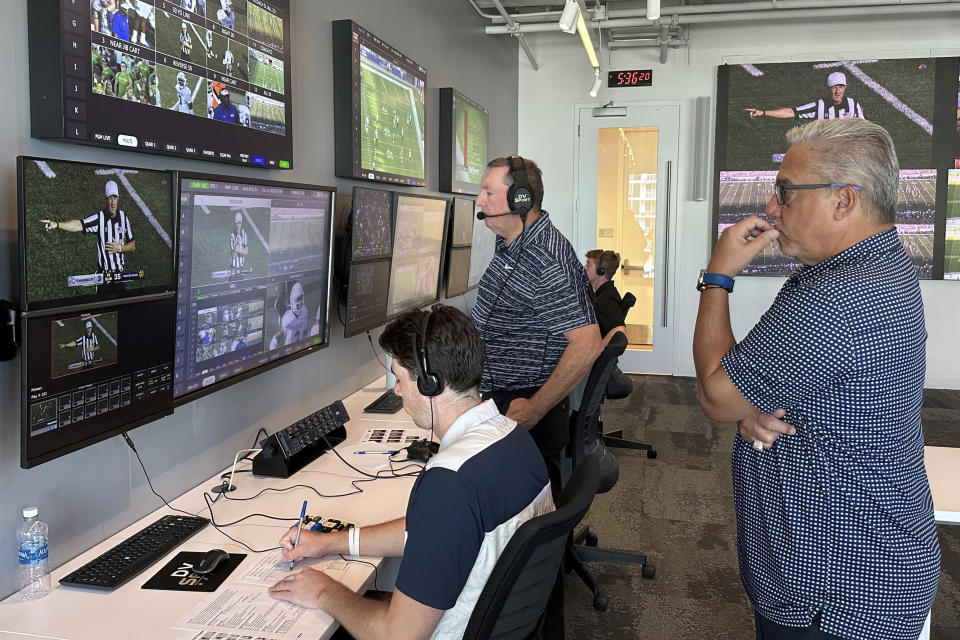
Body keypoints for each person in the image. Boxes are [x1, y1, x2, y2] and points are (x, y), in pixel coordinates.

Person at [692, 118, 940, 640]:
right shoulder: (880, 266)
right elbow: (815, 390)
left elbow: (717, 394)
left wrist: (718, 275)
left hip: (835, 590)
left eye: (785, 193)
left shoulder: (835, 297)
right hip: (869, 567)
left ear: (843, 201)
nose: (772, 209)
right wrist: (751, 409)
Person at [267, 305, 554, 639]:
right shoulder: (511, 436)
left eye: (400, 378)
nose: (397, 391)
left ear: (431, 384)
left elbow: (396, 636)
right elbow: (431, 532)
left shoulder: (451, 482)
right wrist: (331, 543)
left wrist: (323, 592)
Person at [471, 156, 601, 489]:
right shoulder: (513, 245)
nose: (479, 200)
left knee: (521, 517)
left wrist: (535, 408)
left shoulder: (544, 259)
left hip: (525, 411)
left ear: (521, 200)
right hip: (502, 399)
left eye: (488, 191)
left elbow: (587, 342)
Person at [40, 179, 136, 278]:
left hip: (120, 276)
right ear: (106, 199)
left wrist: (120, 248)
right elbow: (78, 225)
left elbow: (132, 245)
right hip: (104, 278)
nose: (112, 203)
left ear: (118, 198)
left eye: (115, 198)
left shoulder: (123, 218)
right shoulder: (99, 219)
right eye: (110, 198)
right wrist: (57, 224)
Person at [745, 71, 865, 121]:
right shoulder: (819, 106)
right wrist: (764, 112)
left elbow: (864, 127)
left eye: (841, 87)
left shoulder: (853, 105)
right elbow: (791, 112)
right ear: (829, 89)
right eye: (834, 87)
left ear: (845, 88)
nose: (837, 91)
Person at [584, 249, 626, 343]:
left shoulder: (606, 299)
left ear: (601, 271)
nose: (584, 267)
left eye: (588, 264)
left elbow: (619, 331)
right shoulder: (604, 294)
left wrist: (599, 350)